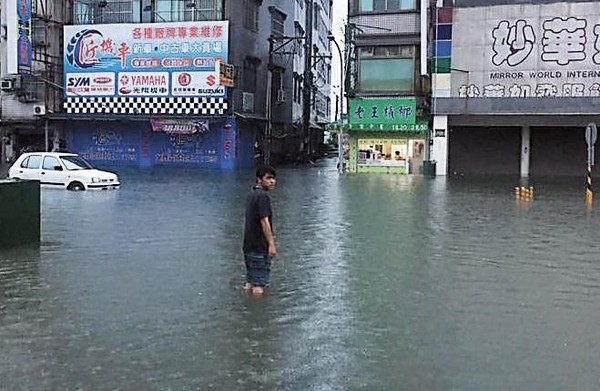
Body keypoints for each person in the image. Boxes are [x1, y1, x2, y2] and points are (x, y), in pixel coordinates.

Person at [243, 164, 277, 296]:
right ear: (259, 180)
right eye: (268, 178)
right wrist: (271, 244)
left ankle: (247, 307)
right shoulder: (263, 197)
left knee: (250, 282)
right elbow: (264, 221)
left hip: (248, 245)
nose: (272, 181)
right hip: (259, 247)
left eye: (273, 178)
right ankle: (258, 314)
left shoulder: (252, 195)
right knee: (259, 285)